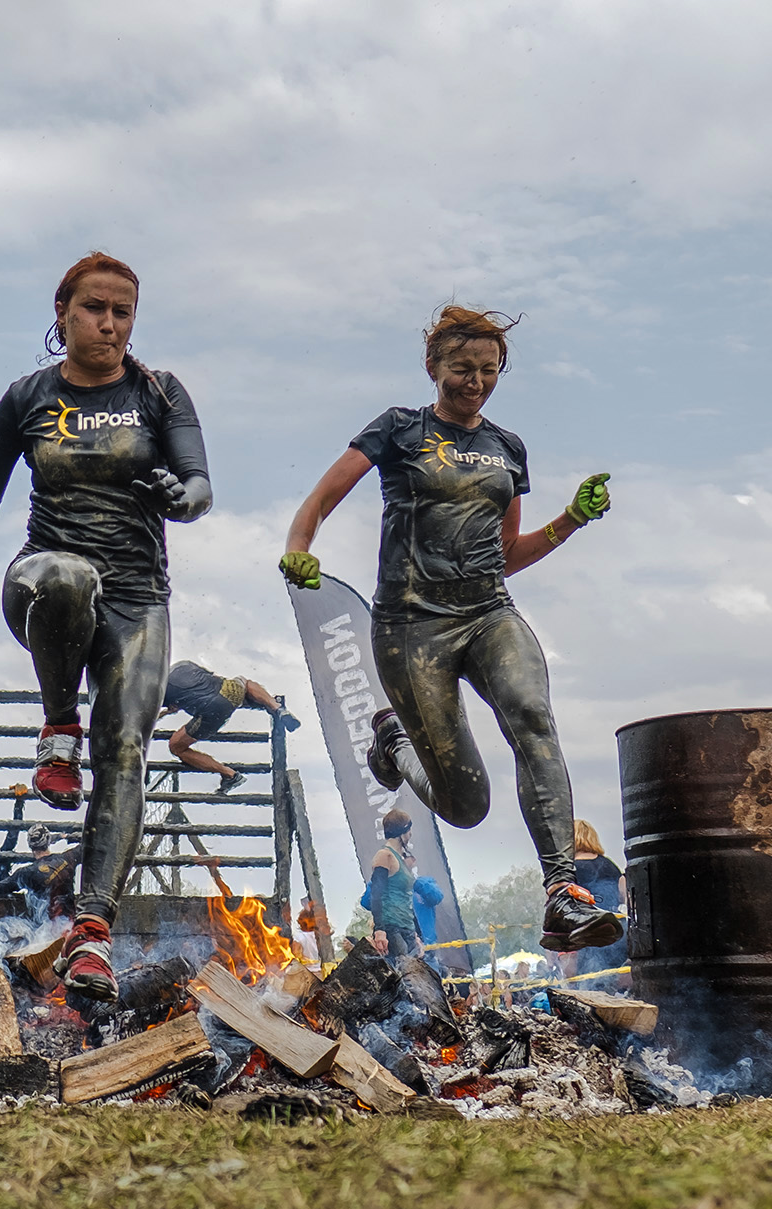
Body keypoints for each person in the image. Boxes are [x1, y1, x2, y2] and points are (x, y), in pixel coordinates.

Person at [279, 305, 618, 953]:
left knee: (532, 715)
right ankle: (395, 744)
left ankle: (561, 892)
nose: (476, 382)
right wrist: (300, 547)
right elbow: (320, 499)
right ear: (433, 366)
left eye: (489, 370)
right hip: (413, 629)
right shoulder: (399, 429)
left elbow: (506, 553)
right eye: (463, 368)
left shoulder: (507, 447)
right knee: (466, 805)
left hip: (488, 611)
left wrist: (571, 519)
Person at [0, 251, 212, 1001]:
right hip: (41, 582)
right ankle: (59, 729)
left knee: (126, 749)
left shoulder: (159, 393)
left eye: (122, 312)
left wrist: (181, 497)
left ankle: (91, 933)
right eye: (94, 308)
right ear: (62, 313)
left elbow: (200, 485)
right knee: (67, 575)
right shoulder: (28, 396)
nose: (109, 324)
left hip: (138, 598)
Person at [159, 660, 300, 794]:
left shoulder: (160, 688)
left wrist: (166, 712)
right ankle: (276, 707)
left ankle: (229, 774)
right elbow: (210, 677)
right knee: (244, 683)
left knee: (176, 746)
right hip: (227, 692)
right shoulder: (183, 665)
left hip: (211, 712)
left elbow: (160, 711)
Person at [567, 819, 630, 991]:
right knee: (615, 991)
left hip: (585, 937)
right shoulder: (610, 865)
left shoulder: (568, 870)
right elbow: (625, 897)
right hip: (616, 933)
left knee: (588, 988)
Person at [364, 808, 421, 962]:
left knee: (415, 971)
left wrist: (416, 934)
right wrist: (379, 930)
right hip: (391, 927)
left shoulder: (402, 859)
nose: (410, 834)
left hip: (406, 926)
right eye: (408, 830)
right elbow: (376, 895)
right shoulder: (385, 856)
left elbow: (406, 898)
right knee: (403, 970)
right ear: (402, 832)